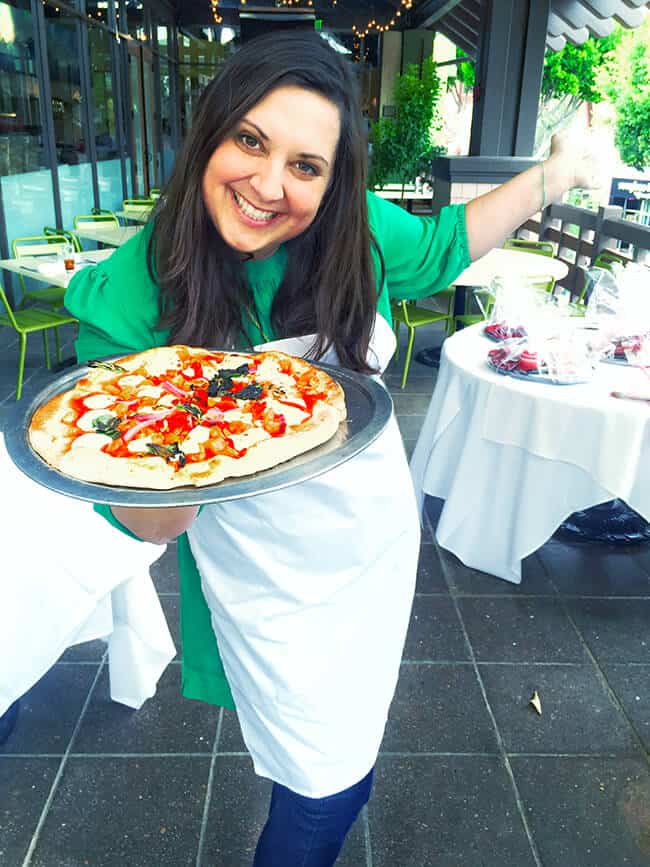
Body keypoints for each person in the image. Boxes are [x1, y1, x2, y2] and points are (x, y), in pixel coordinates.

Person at [64, 30, 596, 867]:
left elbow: (445, 246)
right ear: (208, 130)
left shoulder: (358, 230)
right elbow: (144, 521)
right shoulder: (131, 291)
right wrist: (175, 439)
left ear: (334, 180)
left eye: (305, 166)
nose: (268, 185)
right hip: (262, 579)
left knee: (349, 762)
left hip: (370, 554)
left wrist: (556, 172)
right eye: (250, 140)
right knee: (326, 788)